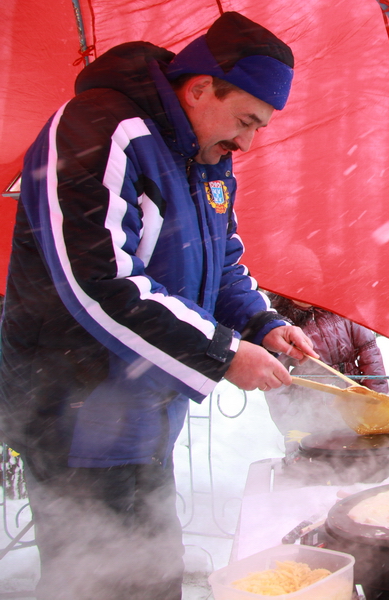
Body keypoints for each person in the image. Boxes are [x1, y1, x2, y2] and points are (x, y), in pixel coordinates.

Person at [0, 13, 317, 600]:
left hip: (141, 410)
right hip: (75, 405)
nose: (248, 142)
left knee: (150, 575)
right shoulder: (100, 129)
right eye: (246, 120)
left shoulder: (207, 159)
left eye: (260, 127)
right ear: (199, 88)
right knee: (92, 582)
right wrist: (224, 354)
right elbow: (100, 282)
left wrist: (262, 321)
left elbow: (222, 264)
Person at [264, 294, 389, 453]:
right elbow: (276, 379)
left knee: (358, 459)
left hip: (354, 404)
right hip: (310, 411)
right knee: (317, 462)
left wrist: (377, 401)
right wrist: (293, 424)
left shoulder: (342, 306)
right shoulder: (281, 323)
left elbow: (369, 354)